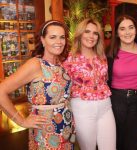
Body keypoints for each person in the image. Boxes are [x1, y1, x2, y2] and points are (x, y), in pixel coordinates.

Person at [0, 20, 75, 150]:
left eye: (62, 37)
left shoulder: (60, 63)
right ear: (43, 40)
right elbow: (1, 91)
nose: (59, 41)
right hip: (46, 130)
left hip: (66, 127)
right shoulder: (35, 64)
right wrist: (21, 121)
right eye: (52, 37)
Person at [63, 18, 116, 150]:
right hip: (82, 108)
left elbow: (105, 80)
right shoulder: (69, 58)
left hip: (105, 106)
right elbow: (63, 87)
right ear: (80, 34)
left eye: (95, 33)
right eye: (87, 31)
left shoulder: (102, 56)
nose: (91, 36)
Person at [106, 15, 137, 150]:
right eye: (122, 29)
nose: (127, 32)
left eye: (131, 27)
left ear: (136, 29)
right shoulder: (110, 52)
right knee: (115, 138)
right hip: (116, 100)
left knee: (133, 139)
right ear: (117, 33)